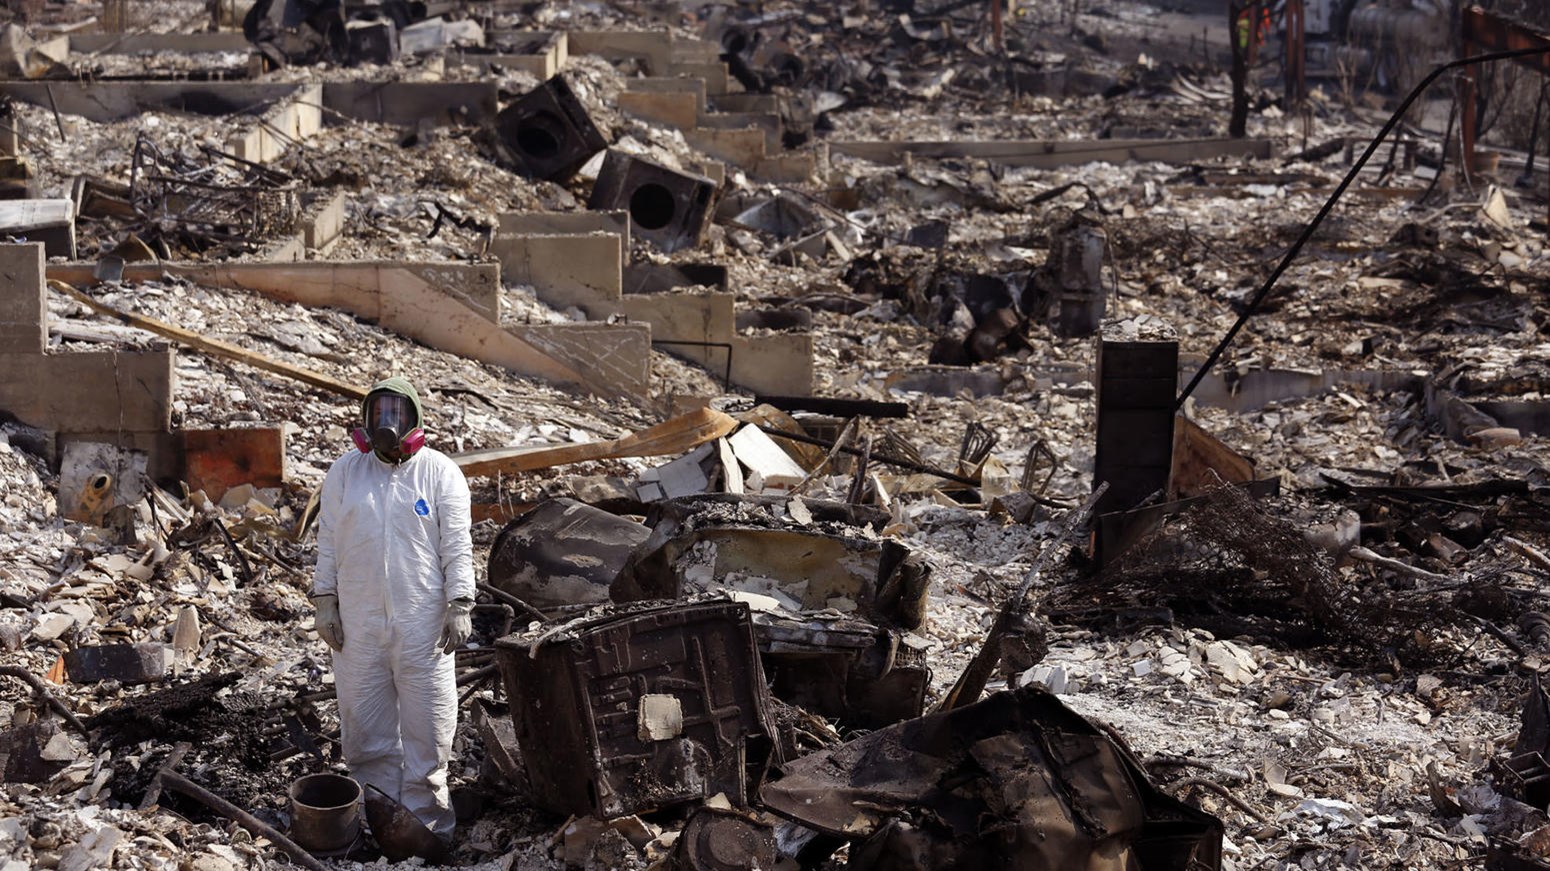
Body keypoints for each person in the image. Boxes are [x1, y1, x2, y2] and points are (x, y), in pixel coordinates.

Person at [310, 376, 474, 840]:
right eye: (379, 413)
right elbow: (328, 541)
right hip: (359, 623)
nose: (388, 423)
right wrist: (325, 600)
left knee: (430, 728)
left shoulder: (440, 473)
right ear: (365, 420)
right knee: (364, 726)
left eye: (397, 414)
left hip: (424, 626)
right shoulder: (346, 472)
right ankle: (374, 821)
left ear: (414, 420)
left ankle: (428, 827)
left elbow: (457, 546)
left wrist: (460, 602)